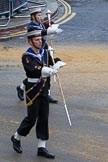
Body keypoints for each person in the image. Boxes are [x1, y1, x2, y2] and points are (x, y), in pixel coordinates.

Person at [11, 29, 65, 159]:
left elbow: (53, 61)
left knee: (44, 118)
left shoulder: (45, 53)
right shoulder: (27, 56)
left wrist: (57, 61)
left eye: (40, 39)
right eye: (37, 40)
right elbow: (34, 70)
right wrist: (49, 70)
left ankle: (42, 147)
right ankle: (16, 137)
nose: (40, 42)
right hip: (33, 89)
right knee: (31, 118)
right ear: (30, 42)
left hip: (44, 88)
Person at [16, 7, 62, 103]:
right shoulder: (31, 27)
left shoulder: (40, 24)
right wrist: (49, 31)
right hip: (36, 50)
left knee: (46, 71)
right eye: (39, 15)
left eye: (41, 15)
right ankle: (21, 88)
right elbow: (40, 32)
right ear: (33, 17)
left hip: (44, 48)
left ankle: (46, 93)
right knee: (37, 72)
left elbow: (45, 24)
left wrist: (51, 23)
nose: (41, 17)